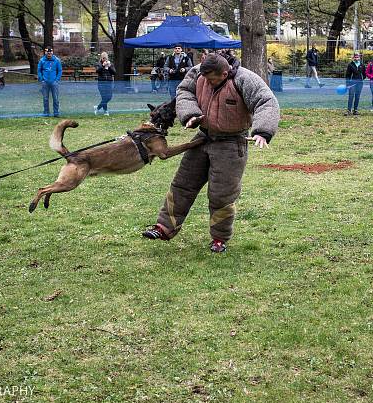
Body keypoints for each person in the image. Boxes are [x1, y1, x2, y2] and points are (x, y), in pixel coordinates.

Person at [141, 53, 280, 253]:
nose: (207, 82)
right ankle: (164, 227)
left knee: (221, 195)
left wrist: (263, 132)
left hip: (232, 143)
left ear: (225, 73)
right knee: (182, 184)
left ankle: (219, 239)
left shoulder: (245, 79)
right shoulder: (198, 72)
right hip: (202, 138)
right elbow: (184, 91)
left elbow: (266, 102)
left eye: (212, 79)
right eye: (205, 78)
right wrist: (191, 114)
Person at [37, 46, 62, 117]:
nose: (49, 54)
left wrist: (57, 80)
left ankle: (56, 113)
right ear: (45, 53)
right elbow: (39, 70)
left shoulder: (57, 60)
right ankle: (46, 113)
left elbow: (59, 71)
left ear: (52, 52)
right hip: (45, 82)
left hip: (54, 83)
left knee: (56, 98)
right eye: (47, 53)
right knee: (45, 98)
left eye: (50, 53)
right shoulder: (42, 60)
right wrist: (41, 79)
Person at [95, 51, 116, 116]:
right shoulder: (98, 64)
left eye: (106, 58)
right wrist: (102, 66)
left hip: (109, 83)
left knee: (109, 97)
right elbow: (97, 71)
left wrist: (109, 67)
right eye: (103, 58)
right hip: (101, 83)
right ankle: (106, 111)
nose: (105, 59)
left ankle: (97, 108)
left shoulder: (110, 64)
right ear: (101, 58)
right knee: (104, 97)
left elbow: (114, 73)